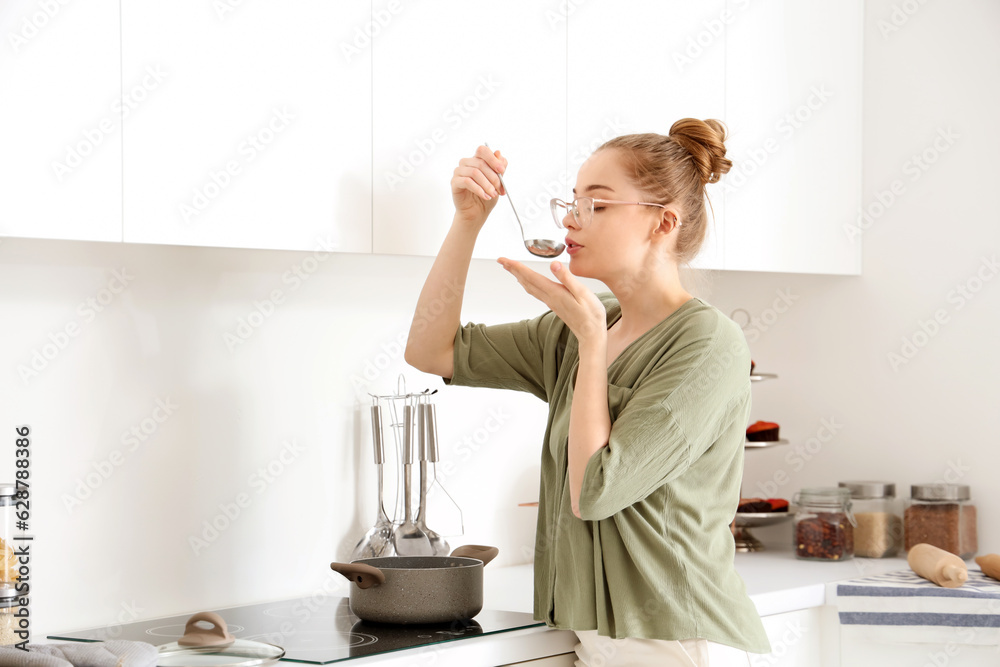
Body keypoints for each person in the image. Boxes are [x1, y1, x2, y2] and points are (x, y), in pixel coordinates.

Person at [404, 118, 771, 666]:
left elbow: (595, 490)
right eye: (573, 202)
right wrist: (467, 223)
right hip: (590, 634)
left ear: (662, 223)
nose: (574, 219)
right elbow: (431, 352)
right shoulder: (580, 328)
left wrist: (593, 346)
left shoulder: (708, 344)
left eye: (597, 204)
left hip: (675, 640)